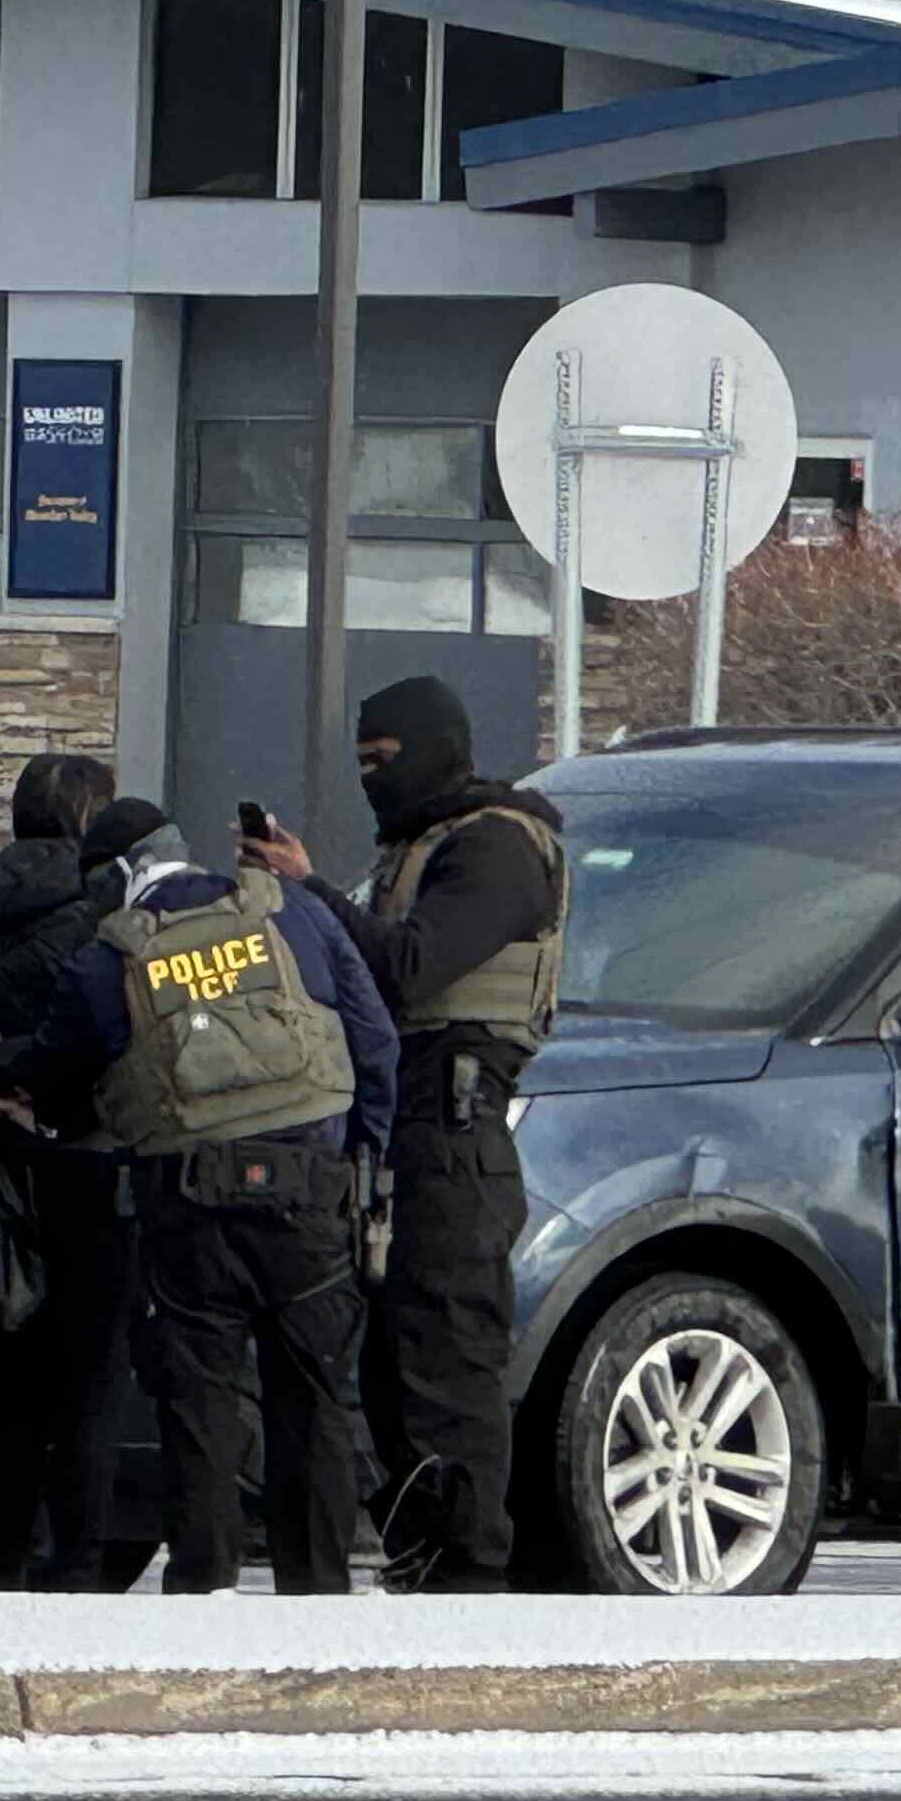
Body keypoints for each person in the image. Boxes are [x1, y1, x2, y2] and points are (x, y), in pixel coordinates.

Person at [0, 800, 394, 1594]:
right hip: (310, 1192)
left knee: (199, 1403)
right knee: (312, 1400)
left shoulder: (111, 958)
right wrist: (365, 1160)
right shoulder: (290, 911)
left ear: (117, 875)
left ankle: (205, 1588)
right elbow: (374, 1039)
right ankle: (319, 1594)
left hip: (189, 1204)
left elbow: (56, 1070)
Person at [243, 674, 568, 1593]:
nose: (372, 780)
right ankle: (423, 1557)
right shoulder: (419, 847)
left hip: (455, 1133)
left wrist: (311, 890)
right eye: (361, 763)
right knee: (392, 1370)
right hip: (401, 1134)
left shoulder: (499, 847)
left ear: (432, 749)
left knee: (446, 1365)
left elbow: (410, 968)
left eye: (384, 760)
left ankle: (467, 1572)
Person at [0, 750, 127, 1588]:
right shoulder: (103, 902)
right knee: (91, 1377)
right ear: (90, 818)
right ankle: (78, 1561)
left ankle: (1, 1555)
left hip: (1, 1162)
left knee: (16, 1373)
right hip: (90, 1154)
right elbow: (108, 1025)